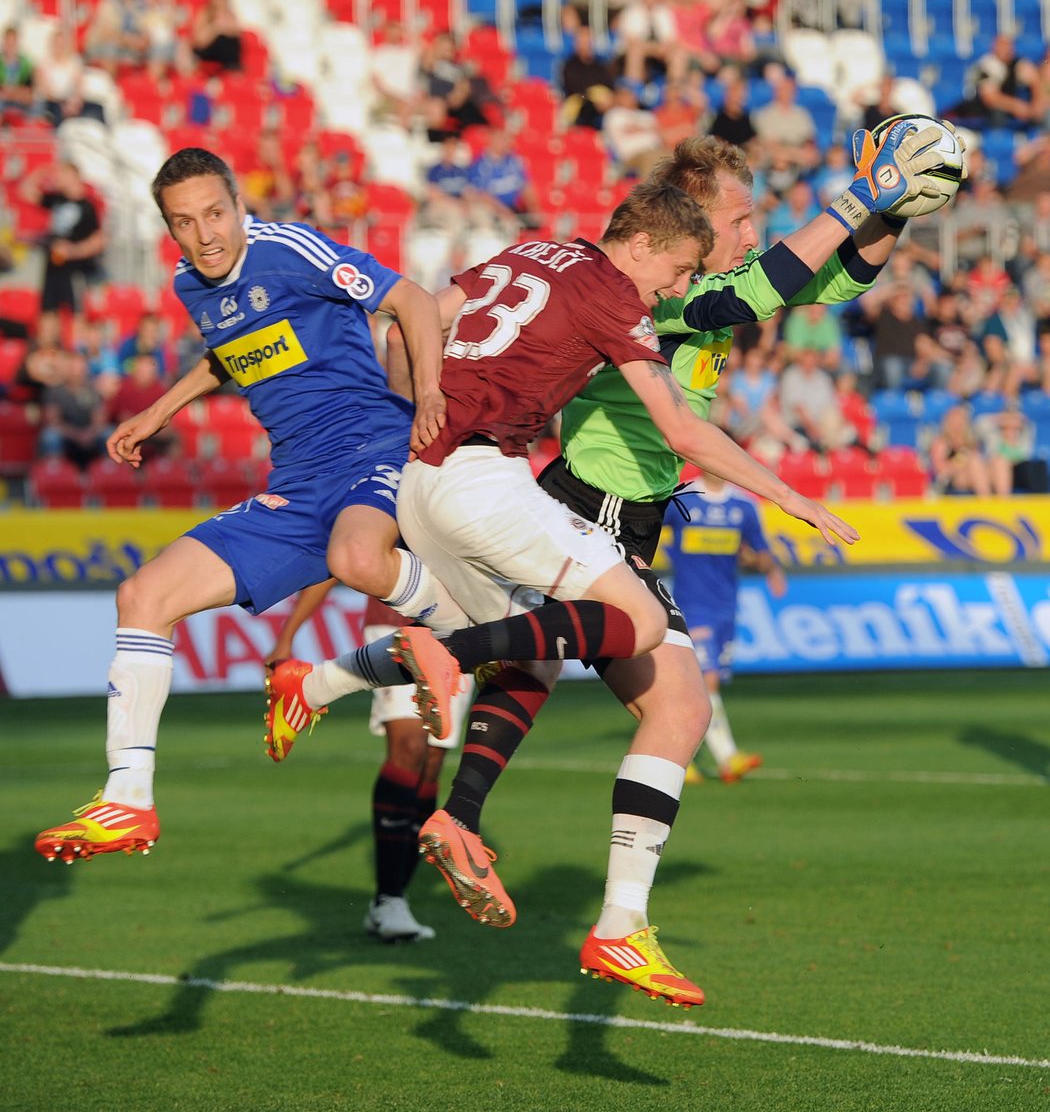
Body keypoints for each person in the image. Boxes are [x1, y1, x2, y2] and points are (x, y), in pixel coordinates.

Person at [267, 127, 939, 1004]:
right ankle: (615, 923)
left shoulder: (609, 263)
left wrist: (899, 202)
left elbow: (841, 271)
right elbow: (750, 297)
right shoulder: (649, 289)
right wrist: (860, 198)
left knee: (547, 661)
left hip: (549, 490)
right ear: (680, 223)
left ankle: (407, 762)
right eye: (738, 218)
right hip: (589, 497)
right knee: (652, 681)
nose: (745, 235)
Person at [34, 146, 462, 866]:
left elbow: (411, 300)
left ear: (239, 205)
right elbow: (228, 351)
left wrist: (428, 395)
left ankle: (450, 629)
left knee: (356, 558)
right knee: (143, 594)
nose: (205, 236)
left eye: (215, 214)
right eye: (184, 223)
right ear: (168, 230)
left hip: (372, 447)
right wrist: (160, 411)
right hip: (296, 480)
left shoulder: (288, 249)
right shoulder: (189, 283)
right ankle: (129, 797)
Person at [265, 581, 474, 943]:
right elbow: (339, 557)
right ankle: (390, 899)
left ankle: (391, 901)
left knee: (432, 760)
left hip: (462, 628)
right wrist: (287, 636)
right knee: (409, 747)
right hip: (398, 621)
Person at [662, 470, 786, 783]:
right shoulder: (683, 498)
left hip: (726, 607)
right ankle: (727, 758)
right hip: (692, 605)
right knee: (708, 680)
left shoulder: (743, 507)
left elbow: (760, 549)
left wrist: (770, 569)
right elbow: (647, 527)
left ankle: (676, 758)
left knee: (695, 687)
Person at [20, 161, 105, 319]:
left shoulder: (87, 206)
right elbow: (26, 193)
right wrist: (39, 174)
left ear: (74, 177)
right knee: (48, 311)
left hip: (74, 270)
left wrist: (73, 251)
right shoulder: (58, 199)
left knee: (75, 313)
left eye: (63, 174)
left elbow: (98, 241)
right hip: (53, 265)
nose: (59, 178)